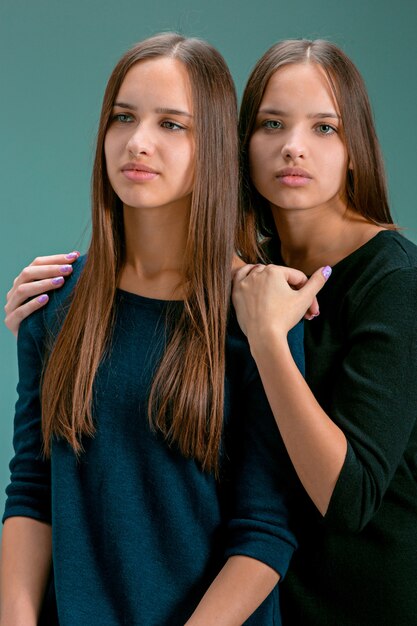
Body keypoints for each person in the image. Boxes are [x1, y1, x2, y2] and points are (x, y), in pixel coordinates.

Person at [0, 33, 305, 626]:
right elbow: (31, 488)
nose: (137, 142)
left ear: (213, 147)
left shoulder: (261, 313)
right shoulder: (53, 302)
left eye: (172, 125)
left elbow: (266, 532)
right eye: (123, 117)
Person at [233, 39, 417, 625]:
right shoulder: (248, 273)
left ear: (356, 149)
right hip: (272, 602)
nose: (293, 147)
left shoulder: (396, 282)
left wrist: (269, 341)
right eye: (272, 124)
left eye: (324, 129)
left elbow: (350, 498)